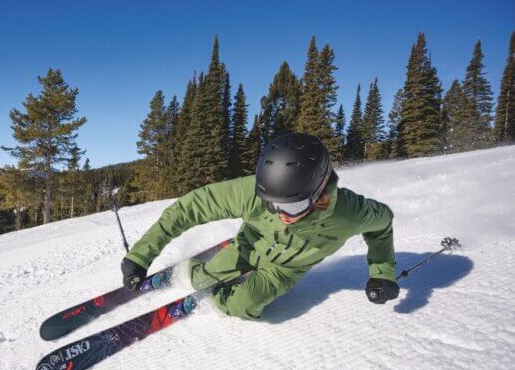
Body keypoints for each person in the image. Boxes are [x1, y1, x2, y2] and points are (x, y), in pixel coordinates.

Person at [121, 132, 399, 320]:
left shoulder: (349, 213)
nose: (280, 214)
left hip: (283, 270)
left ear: (319, 192)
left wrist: (382, 273)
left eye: (291, 207)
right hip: (249, 245)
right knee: (200, 279)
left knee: (246, 305)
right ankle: (199, 274)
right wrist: (140, 255)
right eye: (270, 204)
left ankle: (222, 292)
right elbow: (190, 207)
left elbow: (383, 223)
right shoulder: (253, 193)